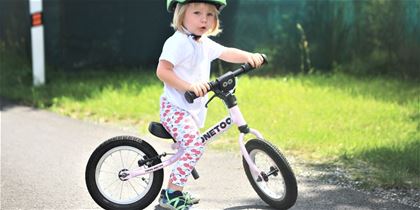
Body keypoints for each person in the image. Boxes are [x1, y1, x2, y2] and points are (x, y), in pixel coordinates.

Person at [156, 0, 265, 209]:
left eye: (210, 14)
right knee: (195, 146)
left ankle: (177, 188)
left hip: (190, 110)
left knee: (191, 147)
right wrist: (188, 86)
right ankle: (170, 195)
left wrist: (249, 57)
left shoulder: (203, 43)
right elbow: (163, 71)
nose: (204, 19)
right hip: (174, 109)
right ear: (181, 15)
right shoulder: (177, 42)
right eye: (197, 12)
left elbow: (226, 52)